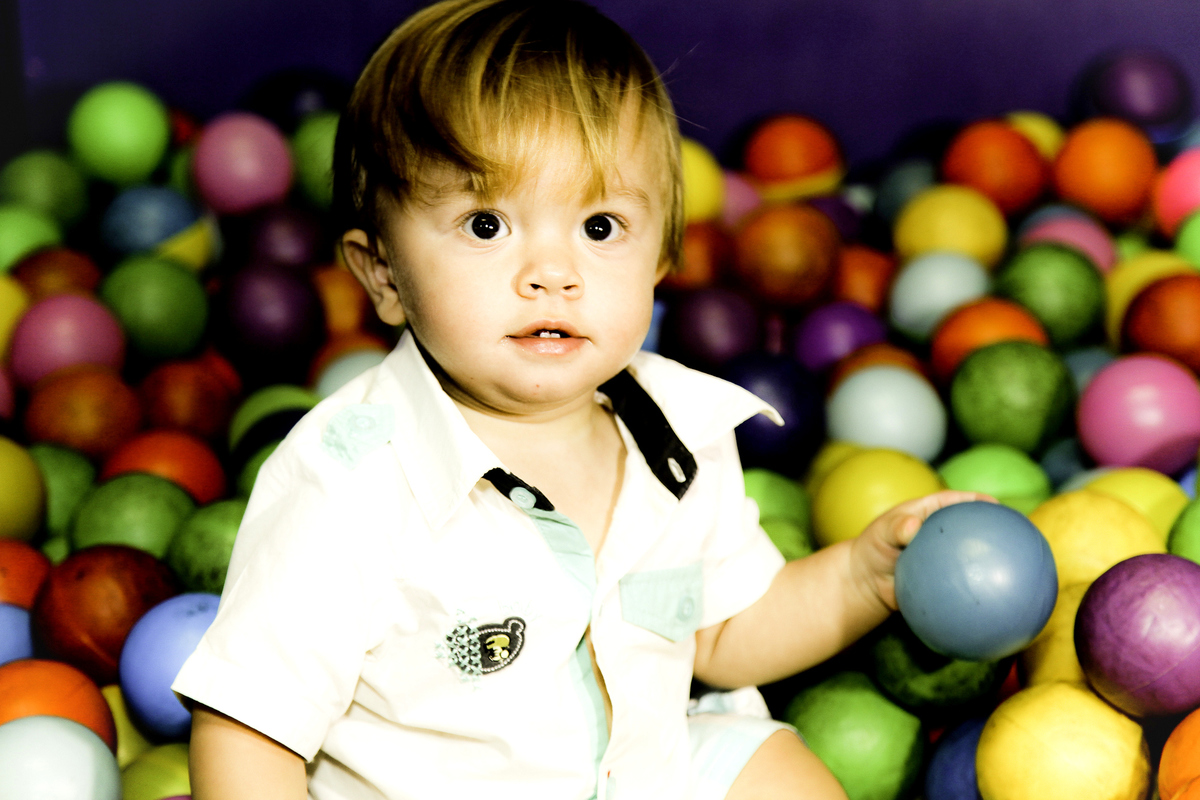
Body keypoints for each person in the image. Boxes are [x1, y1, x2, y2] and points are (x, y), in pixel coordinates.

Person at [173, 1, 986, 798]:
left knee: (773, 770)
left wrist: (860, 579)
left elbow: (724, 635)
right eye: (486, 225)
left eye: (600, 227)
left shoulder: (681, 436)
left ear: (660, 258)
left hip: (644, 772)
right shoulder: (348, 482)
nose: (552, 273)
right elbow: (248, 730)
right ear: (384, 273)